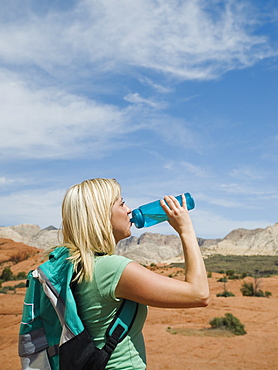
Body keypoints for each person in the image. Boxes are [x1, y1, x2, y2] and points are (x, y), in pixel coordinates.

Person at [61, 178, 209, 369]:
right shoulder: (111, 269)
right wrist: (186, 230)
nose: (129, 209)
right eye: (122, 203)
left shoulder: (76, 264)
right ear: (100, 215)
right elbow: (199, 294)